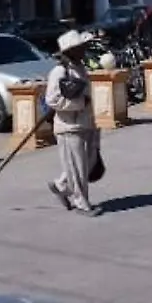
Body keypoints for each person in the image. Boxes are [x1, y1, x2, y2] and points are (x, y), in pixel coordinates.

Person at [45, 29, 104, 217]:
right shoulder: (59, 72)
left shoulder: (80, 68)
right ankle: (82, 204)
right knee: (77, 168)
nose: (83, 50)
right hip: (69, 127)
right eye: (79, 48)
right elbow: (52, 99)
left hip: (86, 122)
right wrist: (78, 104)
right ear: (70, 50)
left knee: (87, 162)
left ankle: (61, 186)